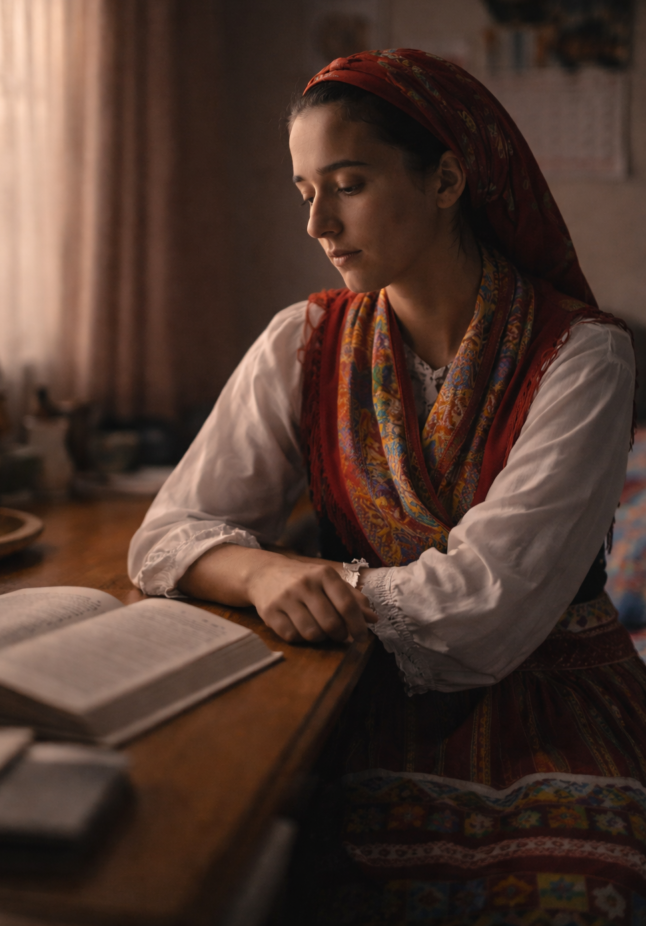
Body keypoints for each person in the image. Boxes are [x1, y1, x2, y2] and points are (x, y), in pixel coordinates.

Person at [129, 50, 646, 923]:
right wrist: (262, 575)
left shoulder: (584, 357)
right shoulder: (302, 341)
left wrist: (325, 587)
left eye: (348, 184)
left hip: (547, 701)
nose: (318, 224)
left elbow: (486, 609)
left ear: (446, 179)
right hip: (351, 692)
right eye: (304, 192)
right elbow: (168, 533)